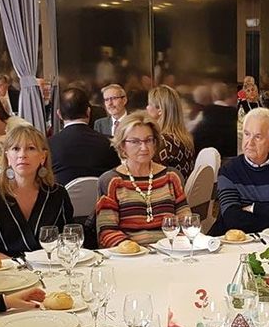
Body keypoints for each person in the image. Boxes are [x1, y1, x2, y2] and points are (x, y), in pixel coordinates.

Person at [96, 113, 190, 247]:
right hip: (131, 257)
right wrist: (135, 250)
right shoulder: (112, 181)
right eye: (135, 142)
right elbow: (106, 232)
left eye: (148, 140)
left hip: (170, 252)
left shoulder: (171, 176)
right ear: (122, 145)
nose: (144, 148)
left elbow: (186, 222)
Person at [209, 108, 269, 235]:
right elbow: (233, 219)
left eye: (258, 137)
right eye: (247, 134)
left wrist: (252, 208)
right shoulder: (228, 171)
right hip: (234, 243)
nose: (249, 143)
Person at [0, 126, 73, 256]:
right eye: (16, 149)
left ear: (43, 157)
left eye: (31, 148)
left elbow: (68, 238)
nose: (22, 155)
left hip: (50, 269)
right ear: (7, 157)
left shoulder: (57, 194)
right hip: (6, 271)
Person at [49, 87, 119, 186]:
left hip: (62, 200)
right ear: (88, 112)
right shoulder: (110, 142)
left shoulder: (48, 145)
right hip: (103, 199)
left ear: (59, 114)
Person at [145, 85, 195, 179]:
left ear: (160, 110)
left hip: (166, 191)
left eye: (149, 104)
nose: (146, 108)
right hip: (178, 189)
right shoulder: (185, 137)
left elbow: (150, 175)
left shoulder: (163, 141)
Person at [192, 82, 239, 158]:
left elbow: (194, 128)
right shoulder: (234, 112)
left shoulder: (207, 110)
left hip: (208, 154)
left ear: (213, 96)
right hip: (229, 154)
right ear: (227, 95)